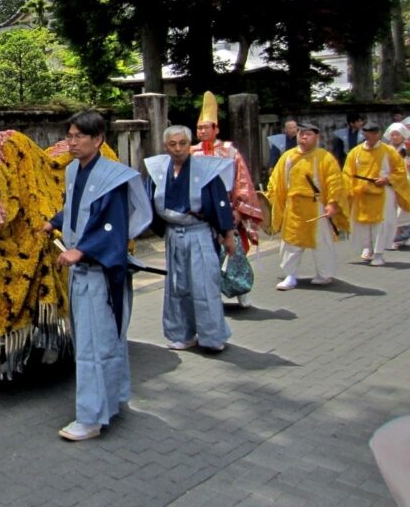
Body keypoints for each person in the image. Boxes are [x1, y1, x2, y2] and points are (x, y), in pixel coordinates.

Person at [41, 110, 152, 442]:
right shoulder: (73, 169)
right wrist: (55, 221)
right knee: (96, 341)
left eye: (79, 136)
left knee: (94, 344)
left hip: (100, 272)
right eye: (69, 135)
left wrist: (82, 250)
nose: (72, 142)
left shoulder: (112, 178)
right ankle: (113, 399)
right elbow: (77, 207)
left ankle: (91, 418)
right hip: (81, 273)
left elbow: (112, 226)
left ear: (98, 139)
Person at [146, 125, 236, 353]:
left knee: (205, 285)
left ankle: (213, 336)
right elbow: (148, 203)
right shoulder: (158, 170)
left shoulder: (205, 170)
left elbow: (220, 202)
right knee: (178, 287)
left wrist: (227, 234)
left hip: (199, 233)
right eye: (172, 144)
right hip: (173, 234)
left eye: (182, 143)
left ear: (189, 144)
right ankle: (182, 334)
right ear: (165, 146)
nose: (178, 148)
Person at [191, 92, 263, 308]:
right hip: (202, 212)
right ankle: (214, 294)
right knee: (208, 255)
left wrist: (239, 209)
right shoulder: (191, 153)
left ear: (216, 129)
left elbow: (243, 181)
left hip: (228, 208)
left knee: (234, 251)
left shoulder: (230, 152)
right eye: (199, 128)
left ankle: (242, 291)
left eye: (206, 127)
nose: (202, 131)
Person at [267, 122, 349, 290]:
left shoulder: (324, 157)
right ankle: (290, 275)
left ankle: (324, 274)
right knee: (291, 242)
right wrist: (270, 197)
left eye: (308, 134)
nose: (303, 137)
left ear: (317, 137)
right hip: (293, 206)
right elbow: (276, 180)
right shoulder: (288, 156)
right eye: (301, 134)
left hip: (316, 205)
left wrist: (332, 203)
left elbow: (335, 182)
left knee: (322, 242)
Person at [343, 121, 410, 267]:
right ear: (364, 134)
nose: (371, 136)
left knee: (381, 224)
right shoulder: (355, 152)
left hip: (383, 193)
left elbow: (400, 171)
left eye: (374, 133)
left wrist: (387, 179)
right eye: (368, 133)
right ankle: (367, 247)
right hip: (361, 193)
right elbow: (347, 173)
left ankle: (379, 253)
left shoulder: (389, 151)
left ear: (379, 134)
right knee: (362, 223)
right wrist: (349, 190)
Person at [384, 122, 410, 249]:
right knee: (390, 209)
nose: (395, 137)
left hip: (406, 181)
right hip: (390, 181)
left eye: (397, 134)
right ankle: (393, 236)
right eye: (393, 134)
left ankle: (402, 235)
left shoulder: (407, 148)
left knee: (404, 209)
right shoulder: (385, 149)